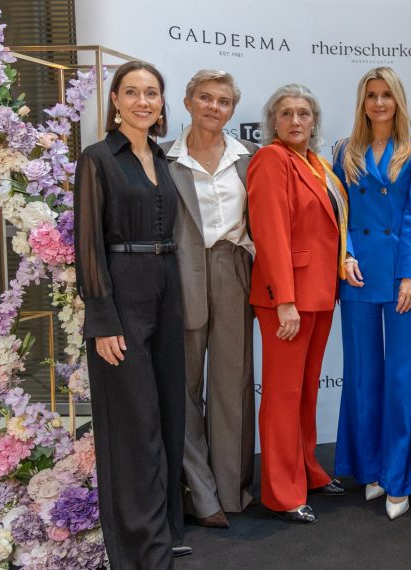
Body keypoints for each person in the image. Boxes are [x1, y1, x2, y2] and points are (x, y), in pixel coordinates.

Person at [74, 60, 190, 567]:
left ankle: (163, 531)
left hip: (167, 290)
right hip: (122, 295)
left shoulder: (162, 158)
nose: (143, 101)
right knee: (133, 425)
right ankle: (140, 551)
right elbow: (88, 244)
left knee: (167, 416)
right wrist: (103, 319)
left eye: (152, 93)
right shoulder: (97, 159)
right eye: (132, 92)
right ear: (115, 101)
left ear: (161, 103)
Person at [246, 84, 349, 524]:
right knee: (283, 395)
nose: (295, 120)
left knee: (305, 392)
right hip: (287, 299)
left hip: (320, 292)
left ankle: (306, 470)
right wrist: (284, 300)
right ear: (273, 121)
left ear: (314, 121)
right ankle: (281, 492)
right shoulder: (271, 159)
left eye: (303, 113)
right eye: (286, 113)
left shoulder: (316, 163)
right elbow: (269, 233)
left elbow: (332, 226)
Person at [332, 67, 411, 520]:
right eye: (371, 95)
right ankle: (370, 469)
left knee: (403, 377)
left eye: (386, 95)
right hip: (356, 275)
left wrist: (410, 274)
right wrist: (345, 256)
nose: (378, 103)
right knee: (362, 375)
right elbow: (340, 214)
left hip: (399, 275)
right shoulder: (344, 151)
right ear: (362, 102)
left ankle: (401, 476)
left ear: (398, 101)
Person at [161, 69, 258, 529]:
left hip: (233, 270)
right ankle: (199, 494)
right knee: (183, 389)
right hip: (181, 273)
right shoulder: (163, 158)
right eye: (205, 97)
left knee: (232, 385)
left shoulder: (249, 158)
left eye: (223, 101)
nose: (213, 107)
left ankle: (232, 488)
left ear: (232, 110)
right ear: (187, 102)